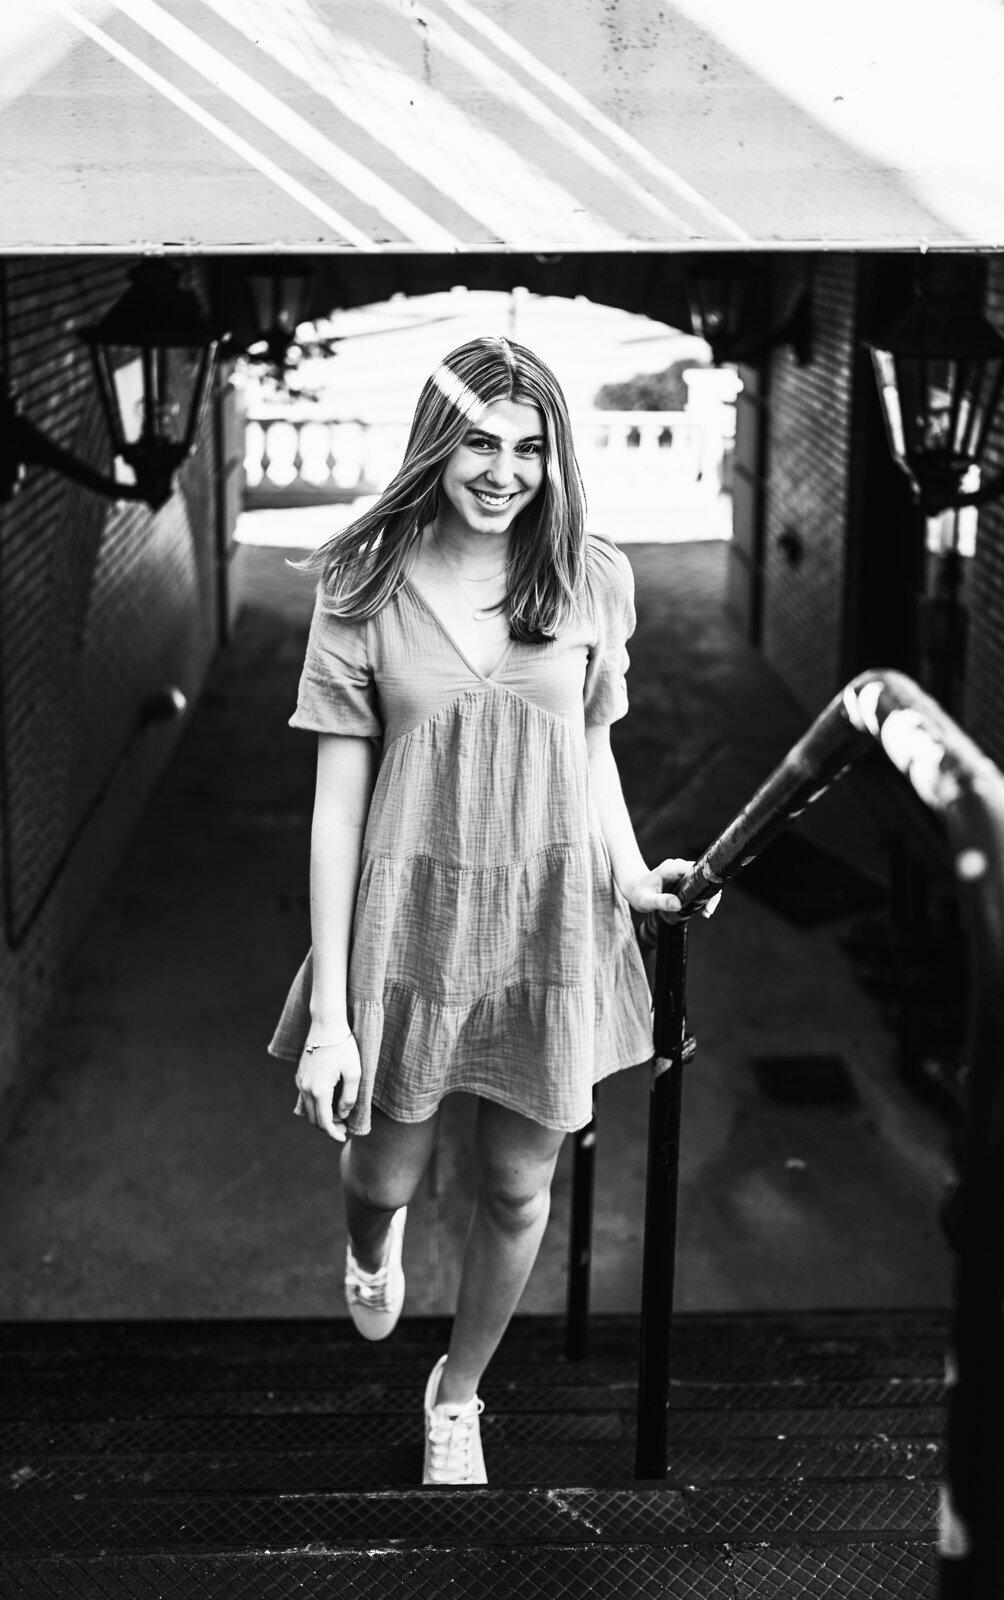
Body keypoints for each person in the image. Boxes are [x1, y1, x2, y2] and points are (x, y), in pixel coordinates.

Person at [268, 335, 711, 1487]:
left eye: (530, 446)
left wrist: (629, 880)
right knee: (383, 1178)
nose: (504, 468)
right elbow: (334, 811)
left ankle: (455, 1396)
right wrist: (329, 1018)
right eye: (479, 439)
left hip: (548, 921)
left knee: (520, 1187)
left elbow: (594, 752)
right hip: (406, 926)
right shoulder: (362, 583)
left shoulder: (587, 577)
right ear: (436, 442)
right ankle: (372, 1255)